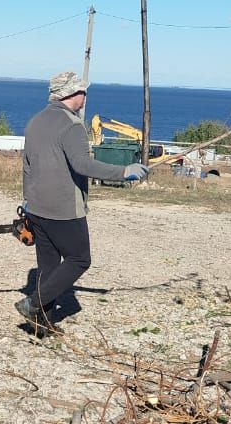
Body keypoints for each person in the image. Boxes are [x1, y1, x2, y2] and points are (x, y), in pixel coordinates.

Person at [15, 71, 148, 329]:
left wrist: (27, 201)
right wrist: (124, 172)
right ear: (71, 94)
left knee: (49, 266)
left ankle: (40, 324)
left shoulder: (35, 121)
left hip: (36, 206)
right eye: (82, 91)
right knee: (79, 259)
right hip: (64, 208)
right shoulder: (72, 125)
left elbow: (27, 166)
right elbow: (83, 165)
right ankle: (33, 303)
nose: (85, 96)